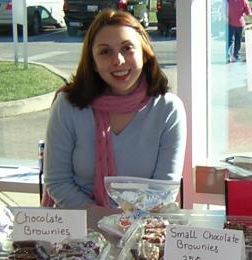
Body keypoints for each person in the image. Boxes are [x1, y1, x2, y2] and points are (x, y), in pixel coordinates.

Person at [43, 9, 187, 208]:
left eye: (127, 48)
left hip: (143, 227)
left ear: (145, 54)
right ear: (93, 63)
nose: (118, 60)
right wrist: (104, 222)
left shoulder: (168, 109)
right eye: (105, 51)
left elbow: (164, 191)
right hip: (79, 226)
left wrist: (123, 227)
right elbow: (58, 182)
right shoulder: (67, 106)